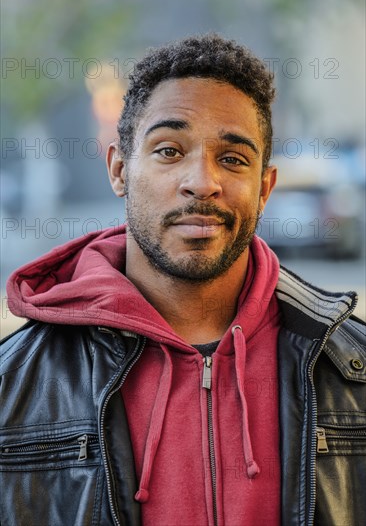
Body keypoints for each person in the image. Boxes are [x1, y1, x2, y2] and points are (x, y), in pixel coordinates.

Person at [1, 34, 365, 526]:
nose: (202, 181)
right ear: (119, 170)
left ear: (264, 188)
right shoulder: (14, 385)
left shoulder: (351, 372)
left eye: (233, 158)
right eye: (169, 150)